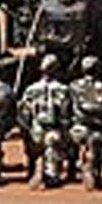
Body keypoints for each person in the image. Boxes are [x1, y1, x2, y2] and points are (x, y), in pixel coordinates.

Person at [19, 54, 73, 189]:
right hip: (54, 131)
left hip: (35, 131)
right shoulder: (63, 89)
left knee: (36, 144)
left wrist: (27, 130)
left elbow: (23, 113)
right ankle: (51, 174)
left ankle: (33, 167)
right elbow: (66, 114)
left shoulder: (31, 89)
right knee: (55, 146)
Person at [69, 55, 102, 191]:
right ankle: (95, 172)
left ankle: (72, 169)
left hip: (77, 129)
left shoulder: (73, 86)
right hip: (98, 130)